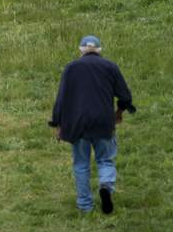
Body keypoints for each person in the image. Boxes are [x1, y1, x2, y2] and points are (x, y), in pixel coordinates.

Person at [49, 35, 136, 213]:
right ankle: (105, 185)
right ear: (99, 50)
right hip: (103, 122)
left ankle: (85, 206)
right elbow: (125, 97)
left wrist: (58, 124)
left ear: (80, 50)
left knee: (81, 164)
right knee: (105, 159)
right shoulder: (110, 67)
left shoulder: (71, 68)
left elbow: (61, 99)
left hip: (78, 123)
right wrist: (118, 113)